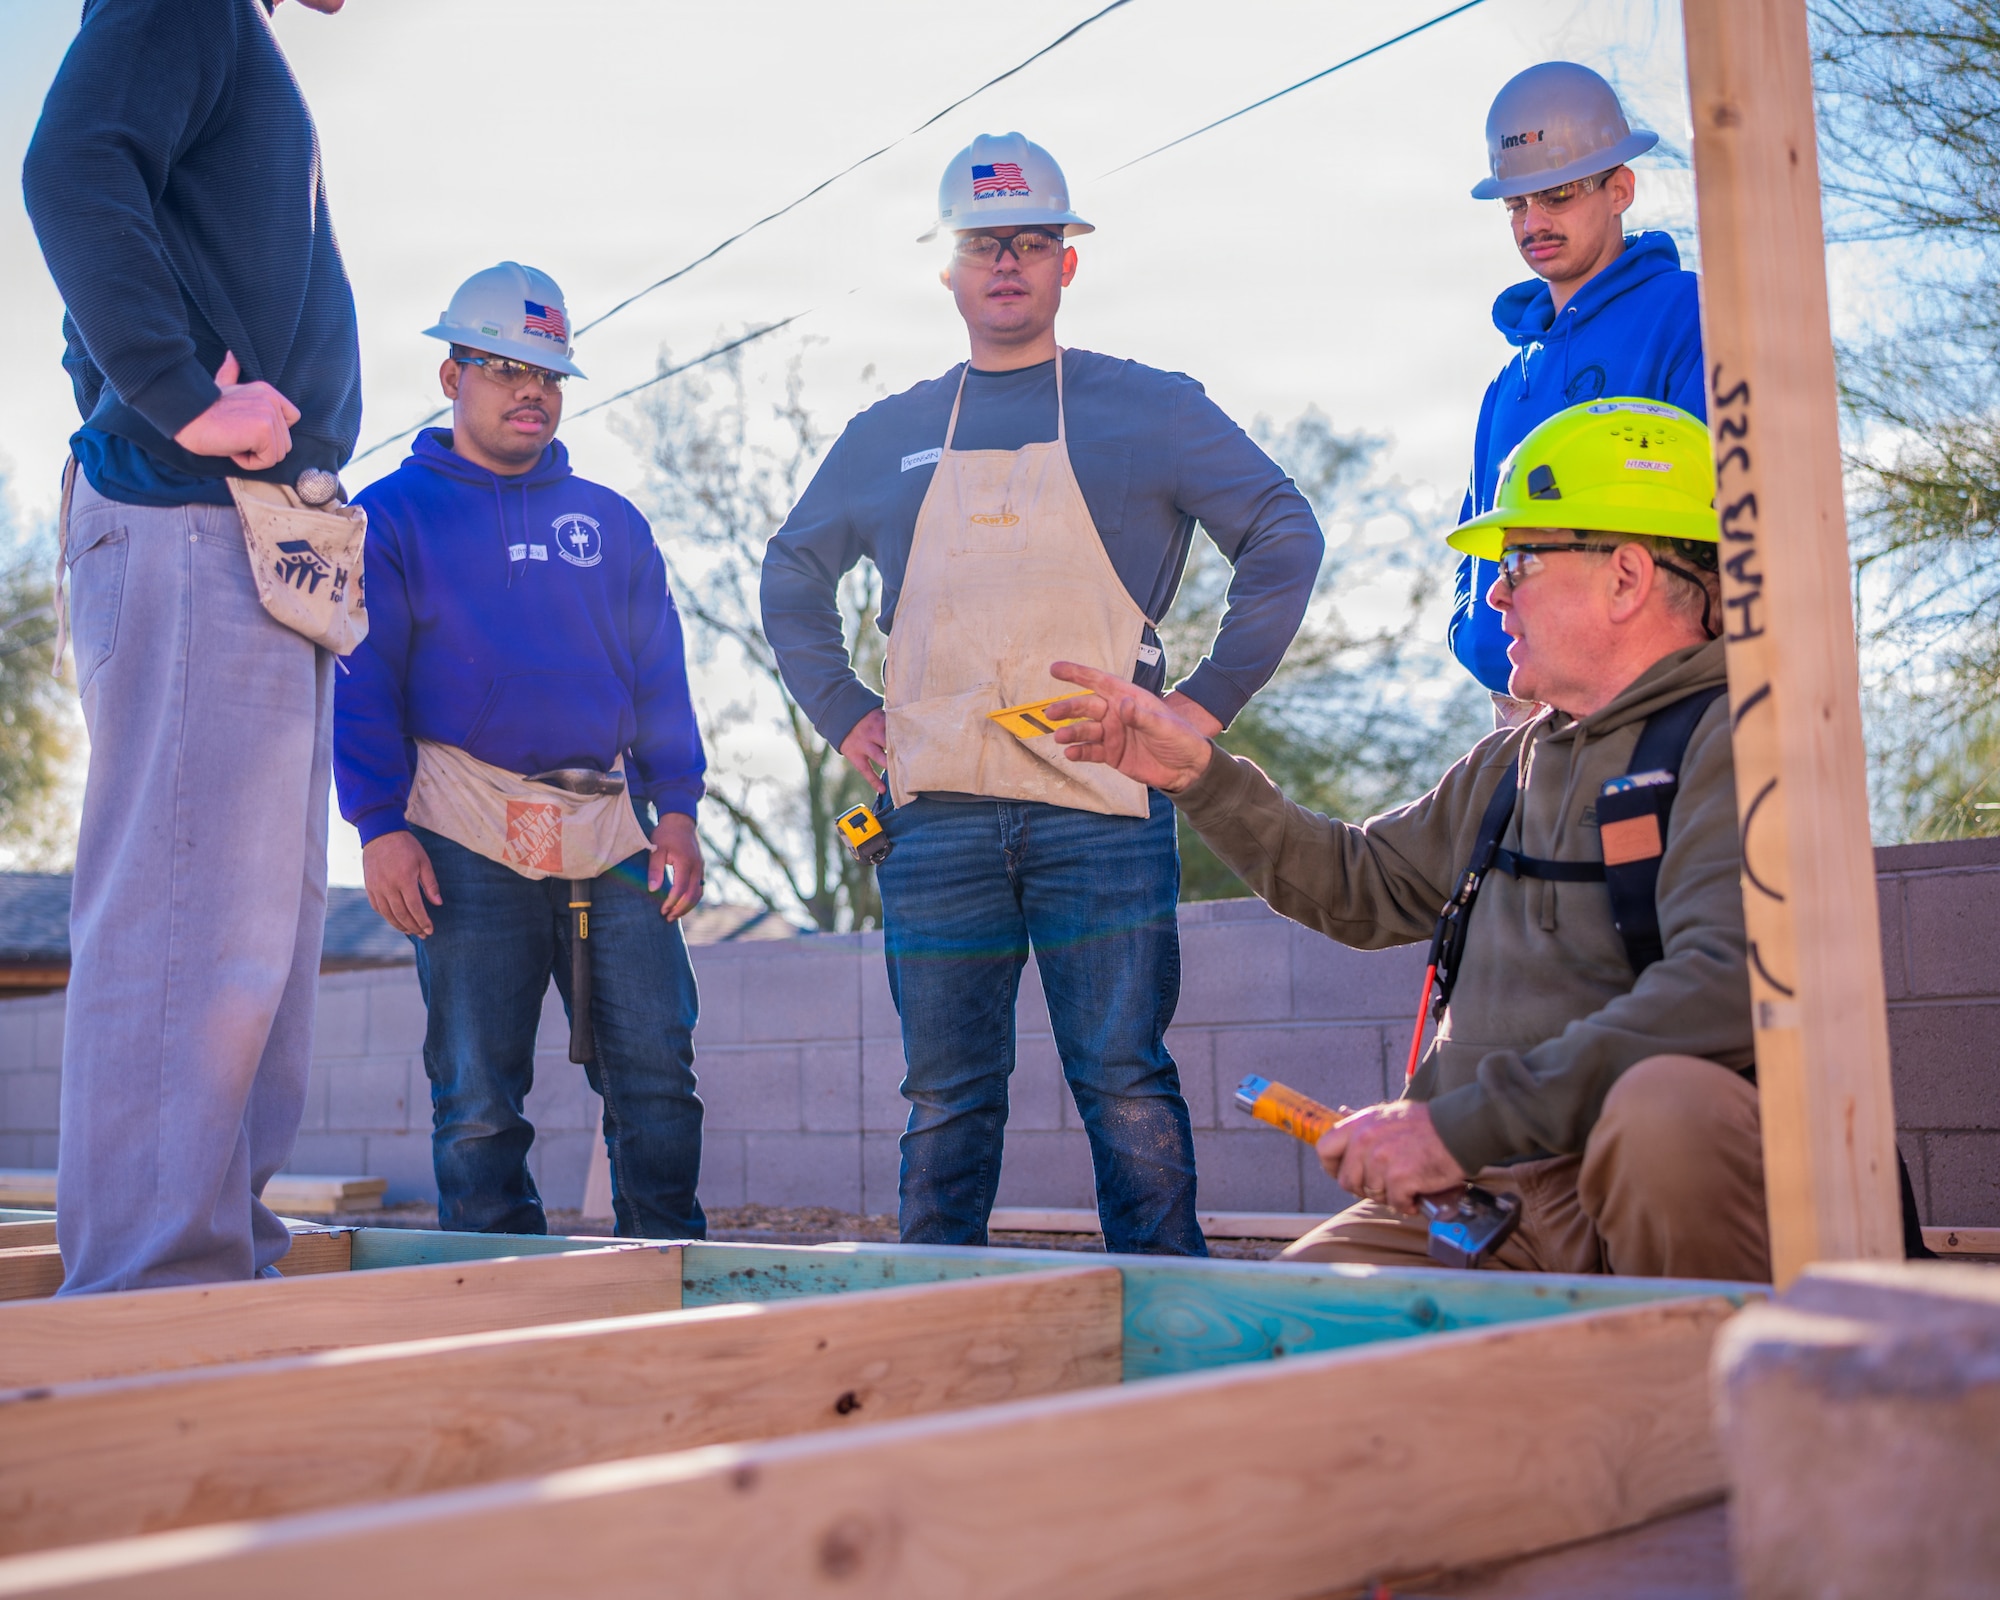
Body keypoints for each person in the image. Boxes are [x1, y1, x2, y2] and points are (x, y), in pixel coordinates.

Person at [1049, 401, 1770, 1282]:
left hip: (1641, 1186)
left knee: (1668, 1110)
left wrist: (1454, 1127)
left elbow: (1724, 988)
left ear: (1626, 576)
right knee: (1269, 1342)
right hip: (1484, 1203)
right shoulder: (1512, 762)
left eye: (1521, 560)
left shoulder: (1742, 738)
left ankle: (1721, 1396)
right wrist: (1196, 774)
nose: (1496, 592)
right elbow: (1362, 884)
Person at [761, 133, 1323, 1255]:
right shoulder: (889, 433)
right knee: (944, 1097)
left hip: (1102, 811)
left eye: (1029, 242)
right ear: (948, 270)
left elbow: (1280, 533)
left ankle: (1166, 1314)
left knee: (1124, 1080)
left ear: (1068, 263)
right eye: (982, 244)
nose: (1006, 263)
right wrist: (845, 714)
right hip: (935, 824)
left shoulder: (1148, 410)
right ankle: (933, 1319)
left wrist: (1197, 711)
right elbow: (791, 574)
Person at [23, 0, 358, 1292]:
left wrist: (142, 393)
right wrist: (177, 402)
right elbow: (68, 167)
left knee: (251, 939)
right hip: (189, 520)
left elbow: (105, 265)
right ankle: (154, 1299)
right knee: (188, 928)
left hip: (242, 534)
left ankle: (209, 1269)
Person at [335, 265, 709, 1239]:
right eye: (504, 368)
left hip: (610, 827)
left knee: (658, 1076)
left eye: (547, 372)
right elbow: (361, 681)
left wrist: (678, 810)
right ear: (453, 375)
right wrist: (378, 827)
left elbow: (660, 681)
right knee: (478, 1097)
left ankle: (671, 1271)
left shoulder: (613, 522)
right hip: (460, 824)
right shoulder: (390, 516)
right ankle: (498, 1301)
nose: (530, 389)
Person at [1448, 62, 1706, 717]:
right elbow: (1478, 533)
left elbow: (1717, 513)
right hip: (1515, 708)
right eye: (1517, 204)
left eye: (1557, 196)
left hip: (1640, 697)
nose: (1533, 222)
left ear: (1620, 187)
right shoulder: (1510, 378)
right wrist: (1472, 640)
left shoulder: (1685, 316)